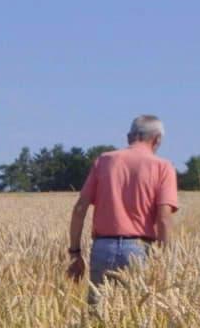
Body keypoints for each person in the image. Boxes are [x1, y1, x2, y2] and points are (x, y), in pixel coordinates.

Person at [67, 115, 179, 288]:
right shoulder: (163, 167)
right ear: (157, 139)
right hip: (140, 249)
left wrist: (75, 253)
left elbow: (80, 208)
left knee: (98, 311)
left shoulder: (104, 160)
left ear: (129, 137)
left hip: (102, 248)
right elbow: (163, 218)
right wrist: (165, 261)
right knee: (137, 312)